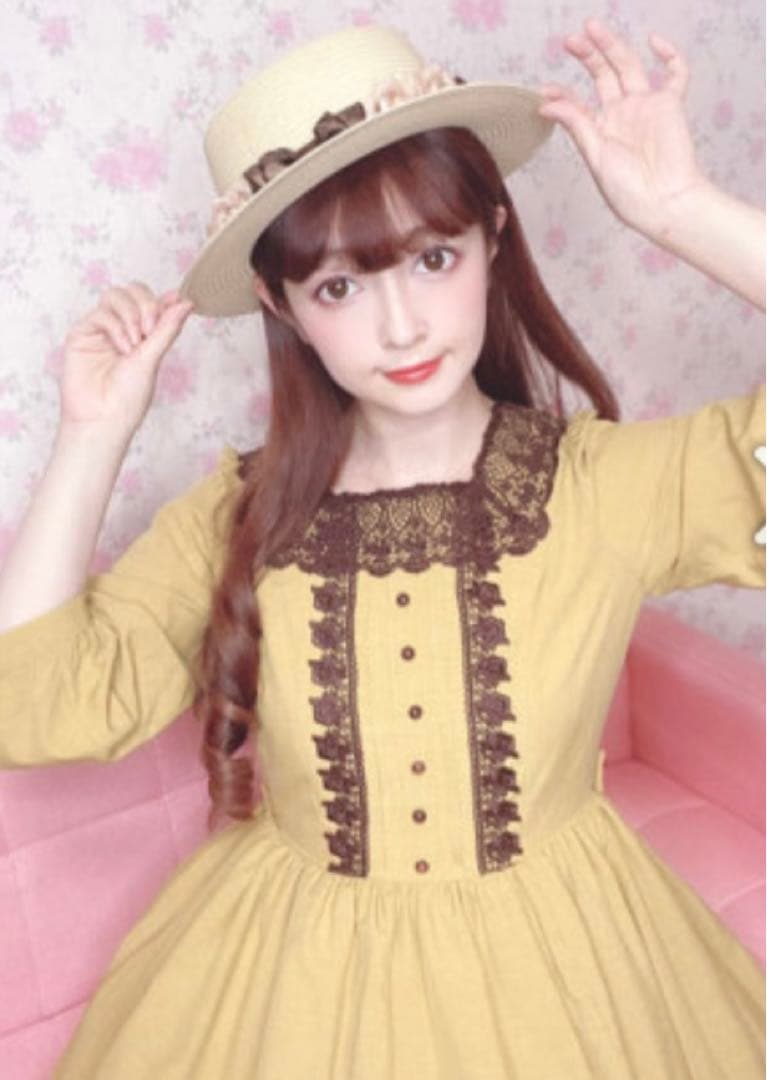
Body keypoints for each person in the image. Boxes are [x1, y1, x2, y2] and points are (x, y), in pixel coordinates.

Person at [0, 17, 764, 1079]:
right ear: (278, 304)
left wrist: (682, 210)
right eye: (339, 286)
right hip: (283, 982)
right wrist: (90, 436)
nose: (400, 327)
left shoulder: (599, 487)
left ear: (493, 239)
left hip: (568, 969)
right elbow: (33, 711)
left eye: (432, 258)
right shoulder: (238, 515)